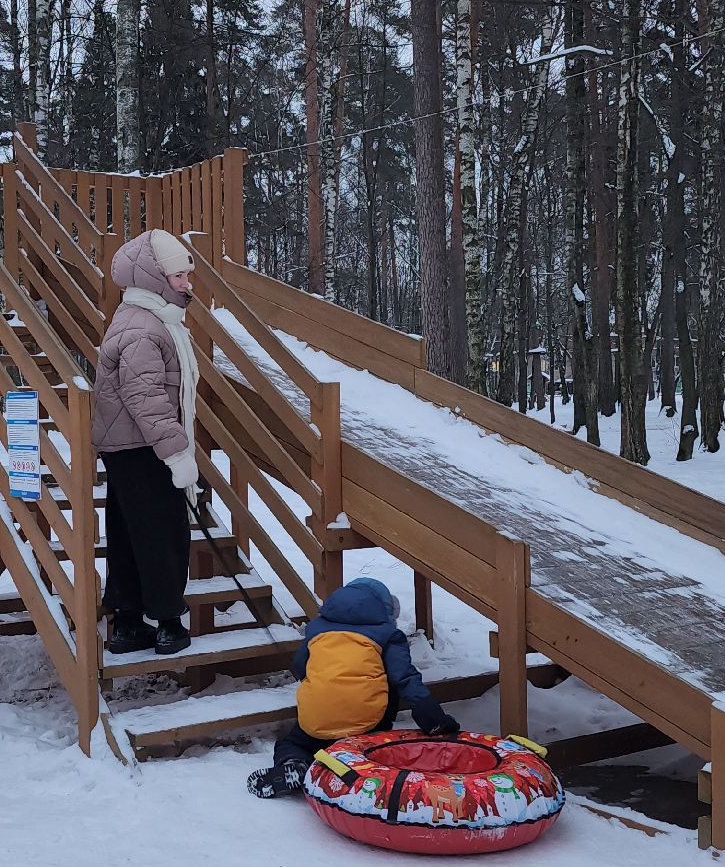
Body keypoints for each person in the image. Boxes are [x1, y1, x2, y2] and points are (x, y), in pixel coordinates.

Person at [248, 577, 461, 798]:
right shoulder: (387, 635)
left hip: (317, 716)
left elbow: (300, 666)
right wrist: (434, 720)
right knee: (386, 681)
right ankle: (363, 760)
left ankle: (295, 763)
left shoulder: (317, 629)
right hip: (367, 721)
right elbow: (405, 678)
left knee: (292, 742)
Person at [92, 230, 201, 656]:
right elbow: (147, 399)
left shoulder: (146, 319)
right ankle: (169, 624)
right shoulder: (143, 328)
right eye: (178, 276)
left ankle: (129, 624)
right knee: (163, 534)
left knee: (130, 533)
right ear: (153, 277)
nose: (186, 283)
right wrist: (176, 452)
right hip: (146, 448)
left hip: (130, 448)